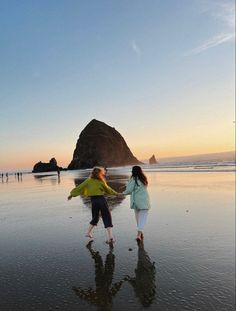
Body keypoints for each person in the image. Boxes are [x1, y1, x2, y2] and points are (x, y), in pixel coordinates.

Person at [68, 167, 118, 243]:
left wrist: (71, 195)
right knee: (106, 216)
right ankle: (110, 237)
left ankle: (88, 233)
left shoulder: (88, 181)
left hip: (93, 201)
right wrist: (116, 193)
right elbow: (108, 189)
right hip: (101, 200)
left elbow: (79, 187)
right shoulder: (100, 181)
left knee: (95, 217)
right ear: (100, 173)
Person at [123, 166, 150, 241]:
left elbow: (129, 190)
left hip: (136, 202)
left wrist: (122, 193)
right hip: (144, 201)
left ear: (133, 171)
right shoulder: (144, 179)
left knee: (138, 218)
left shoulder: (133, 179)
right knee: (143, 218)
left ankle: (139, 233)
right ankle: (139, 233)